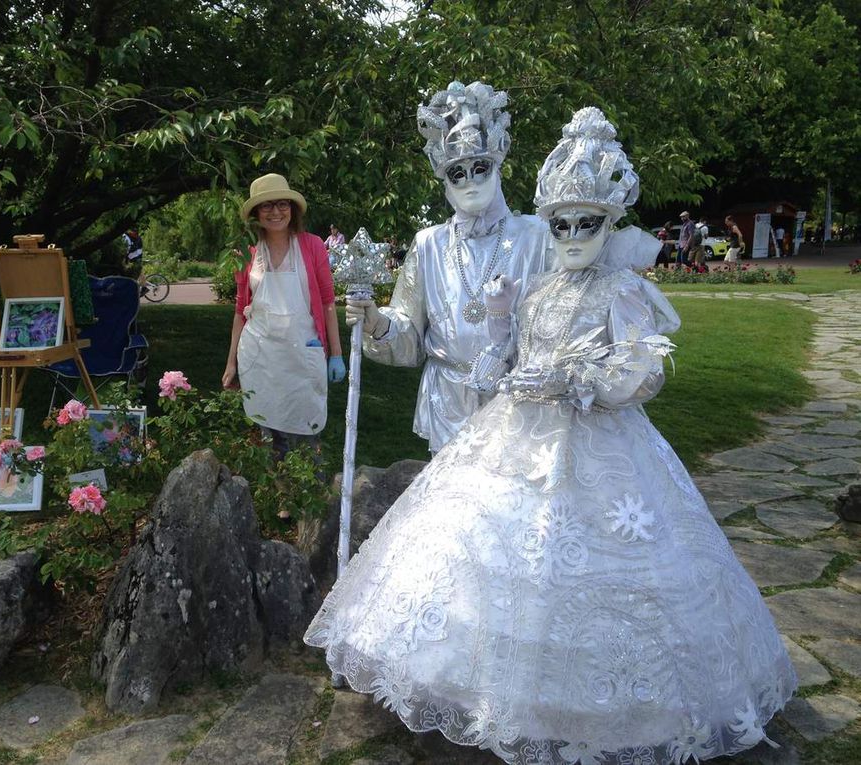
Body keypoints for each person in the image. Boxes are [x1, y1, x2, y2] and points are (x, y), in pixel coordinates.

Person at [305, 107, 795, 764]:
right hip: (504, 430)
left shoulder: (605, 279)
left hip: (598, 449)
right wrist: (473, 324)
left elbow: (642, 367)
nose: (568, 234)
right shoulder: (492, 273)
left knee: (583, 573)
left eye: (583, 223)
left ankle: (583, 706)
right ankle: (476, 687)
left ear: (607, 222)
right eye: (560, 223)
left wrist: (578, 377)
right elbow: (481, 351)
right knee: (478, 553)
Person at [345, 80, 550, 453]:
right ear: (445, 179)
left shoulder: (536, 236)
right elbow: (411, 335)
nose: (469, 180)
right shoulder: (429, 244)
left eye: (480, 167)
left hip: (515, 400)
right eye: (458, 172)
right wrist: (377, 322)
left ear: (497, 166)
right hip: (447, 400)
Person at [222, 173, 346, 459]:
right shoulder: (247, 252)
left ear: (292, 209)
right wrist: (231, 363)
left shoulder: (313, 245)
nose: (276, 212)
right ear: (255, 213)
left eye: (282, 204)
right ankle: (279, 500)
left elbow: (328, 302)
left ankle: (309, 495)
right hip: (260, 356)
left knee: (307, 432)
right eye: (266, 206)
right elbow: (241, 311)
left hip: (302, 352)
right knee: (270, 436)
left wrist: (336, 354)